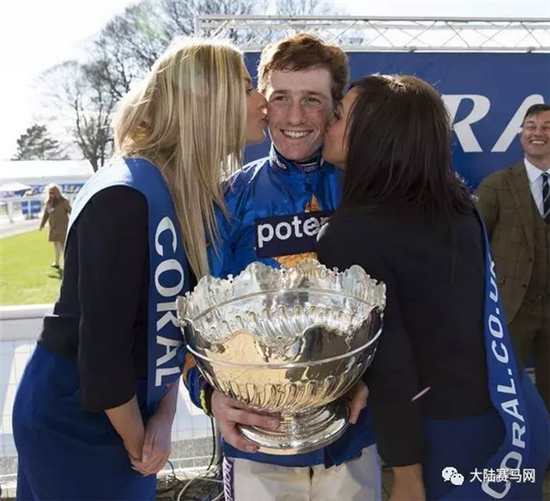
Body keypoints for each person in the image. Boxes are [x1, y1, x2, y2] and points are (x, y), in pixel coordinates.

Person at [12, 37, 268, 501]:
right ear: (208, 99)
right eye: (248, 87)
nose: (261, 101)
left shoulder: (185, 193)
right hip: (79, 419)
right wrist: (140, 442)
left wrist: (164, 421)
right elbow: (102, 351)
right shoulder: (125, 195)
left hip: (132, 416)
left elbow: (173, 326)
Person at [317, 75, 550, 500]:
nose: (326, 124)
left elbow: (391, 363)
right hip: (517, 412)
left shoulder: (350, 235)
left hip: (453, 439)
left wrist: (406, 475)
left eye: (339, 116)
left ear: (375, 133)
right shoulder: (459, 205)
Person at [186, 34, 380, 501]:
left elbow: (401, 301)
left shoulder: (370, 192)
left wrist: (376, 379)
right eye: (281, 98)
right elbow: (190, 315)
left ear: (336, 108)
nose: (294, 117)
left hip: (353, 436)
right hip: (256, 442)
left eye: (312, 99)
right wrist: (208, 395)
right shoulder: (227, 200)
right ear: (262, 104)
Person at [476, 103, 550, 414]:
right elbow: (475, 244)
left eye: (547, 127)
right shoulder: (496, 185)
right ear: (521, 134)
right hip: (512, 308)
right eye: (531, 126)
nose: (538, 133)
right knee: (508, 390)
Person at [39, 183, 71, 268]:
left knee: (63, 245)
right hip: (53, 227)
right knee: (56, 244)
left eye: (53, 192)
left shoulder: (63, 201)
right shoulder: (49, 203)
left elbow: (70, 211)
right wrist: (42, 225)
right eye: (50, 192)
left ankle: (67, 263)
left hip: (63, 226)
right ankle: (56, 262)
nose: (51, 194)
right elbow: (46, 215)